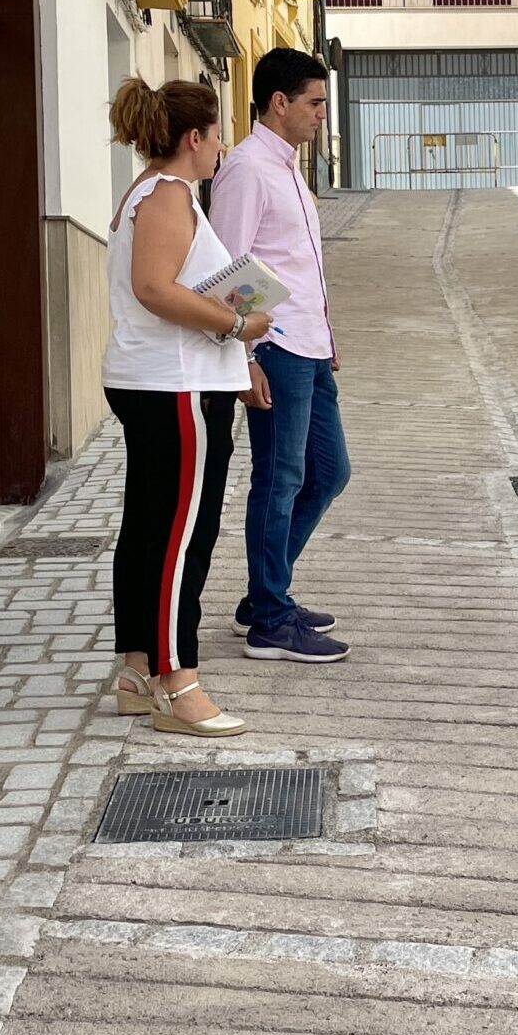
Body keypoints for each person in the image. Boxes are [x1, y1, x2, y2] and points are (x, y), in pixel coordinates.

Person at [102, 77, 275, 736]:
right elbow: (153, 287)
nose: (222, 147)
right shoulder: (170, 194)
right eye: (218, 134)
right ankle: (179, 684)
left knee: (149, 528)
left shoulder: (148, 191)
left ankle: (138, 671)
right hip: (175, 387)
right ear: (194, 137)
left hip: (160, 380)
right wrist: (236, 325)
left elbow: (162, 285)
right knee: (182, 536)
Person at [212, 48, 352, 663]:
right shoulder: (247, 169)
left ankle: (262, 596)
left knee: (329, 472)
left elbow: (297, 265)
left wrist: (327, 337)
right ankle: (270, 619)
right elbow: (228, 271)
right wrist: (244, 357)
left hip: (310, 347)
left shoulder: (289, 168)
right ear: (279, 102)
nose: (322, 114)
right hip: (275, 349)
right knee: (278, 479)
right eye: (315, 103)